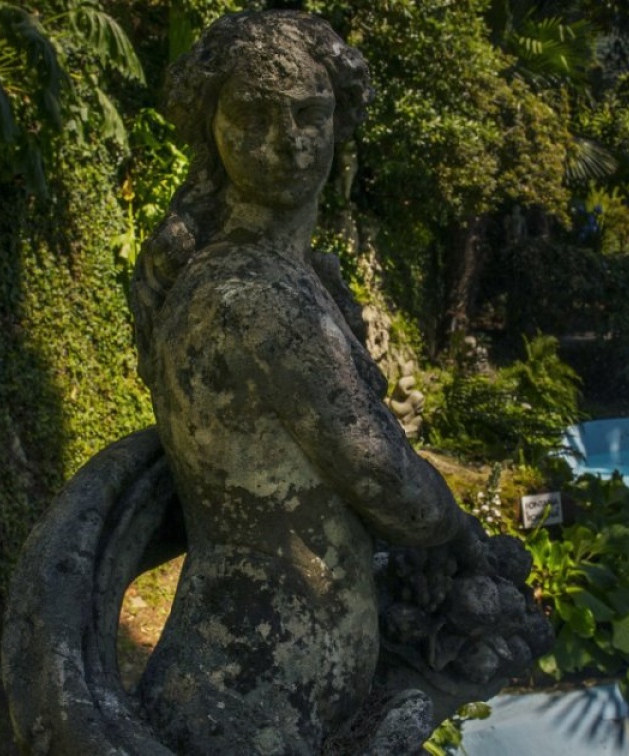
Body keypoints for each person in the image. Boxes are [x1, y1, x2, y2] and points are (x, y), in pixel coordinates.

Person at [127, 12, 473, 753]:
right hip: (248, 696)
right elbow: (394, 487)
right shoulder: (255, 299)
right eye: (254, 116)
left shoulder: (287, 275)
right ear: (212, 129)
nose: (287, 142)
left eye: (310, 114)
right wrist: (465, 536)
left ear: (339, 121)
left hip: (285, 693)